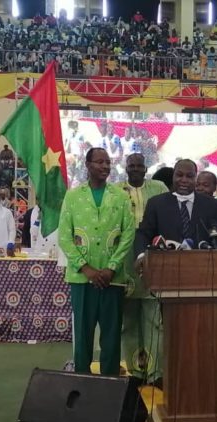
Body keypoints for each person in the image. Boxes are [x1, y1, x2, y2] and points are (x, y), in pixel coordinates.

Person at [59, 147, 135, 375]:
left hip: (113, 279)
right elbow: (64, 236)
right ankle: (82, 380)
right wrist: (87, 269)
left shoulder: (121, 196)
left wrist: (111, 268)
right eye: (100, 162)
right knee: (83, 335)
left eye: (108, 162)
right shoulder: (73, 196)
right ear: (87, 165)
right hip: (82, 280)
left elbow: (128, 234)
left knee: (111, 335)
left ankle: (109, 382)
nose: (105, 166)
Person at [117, 153, 168, 386]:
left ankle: (156, 372)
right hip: (124, 257)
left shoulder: (159, 188)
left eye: (140, 166)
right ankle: (136, 372)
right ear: (126, 168)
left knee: (154, 319)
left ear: (146, 169)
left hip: (152, 255)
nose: (136, 169)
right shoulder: (116, 191)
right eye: (132, 166)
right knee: (129, 321)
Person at [135, 159, 217, 254]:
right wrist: (141, 255)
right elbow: (143, 235)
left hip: (203, 263)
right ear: (173, 176)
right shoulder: (156, 204)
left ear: (195, 178)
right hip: (167, 263)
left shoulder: (213, 206)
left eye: (189, 176)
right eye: (179, 175)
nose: (184, 180)